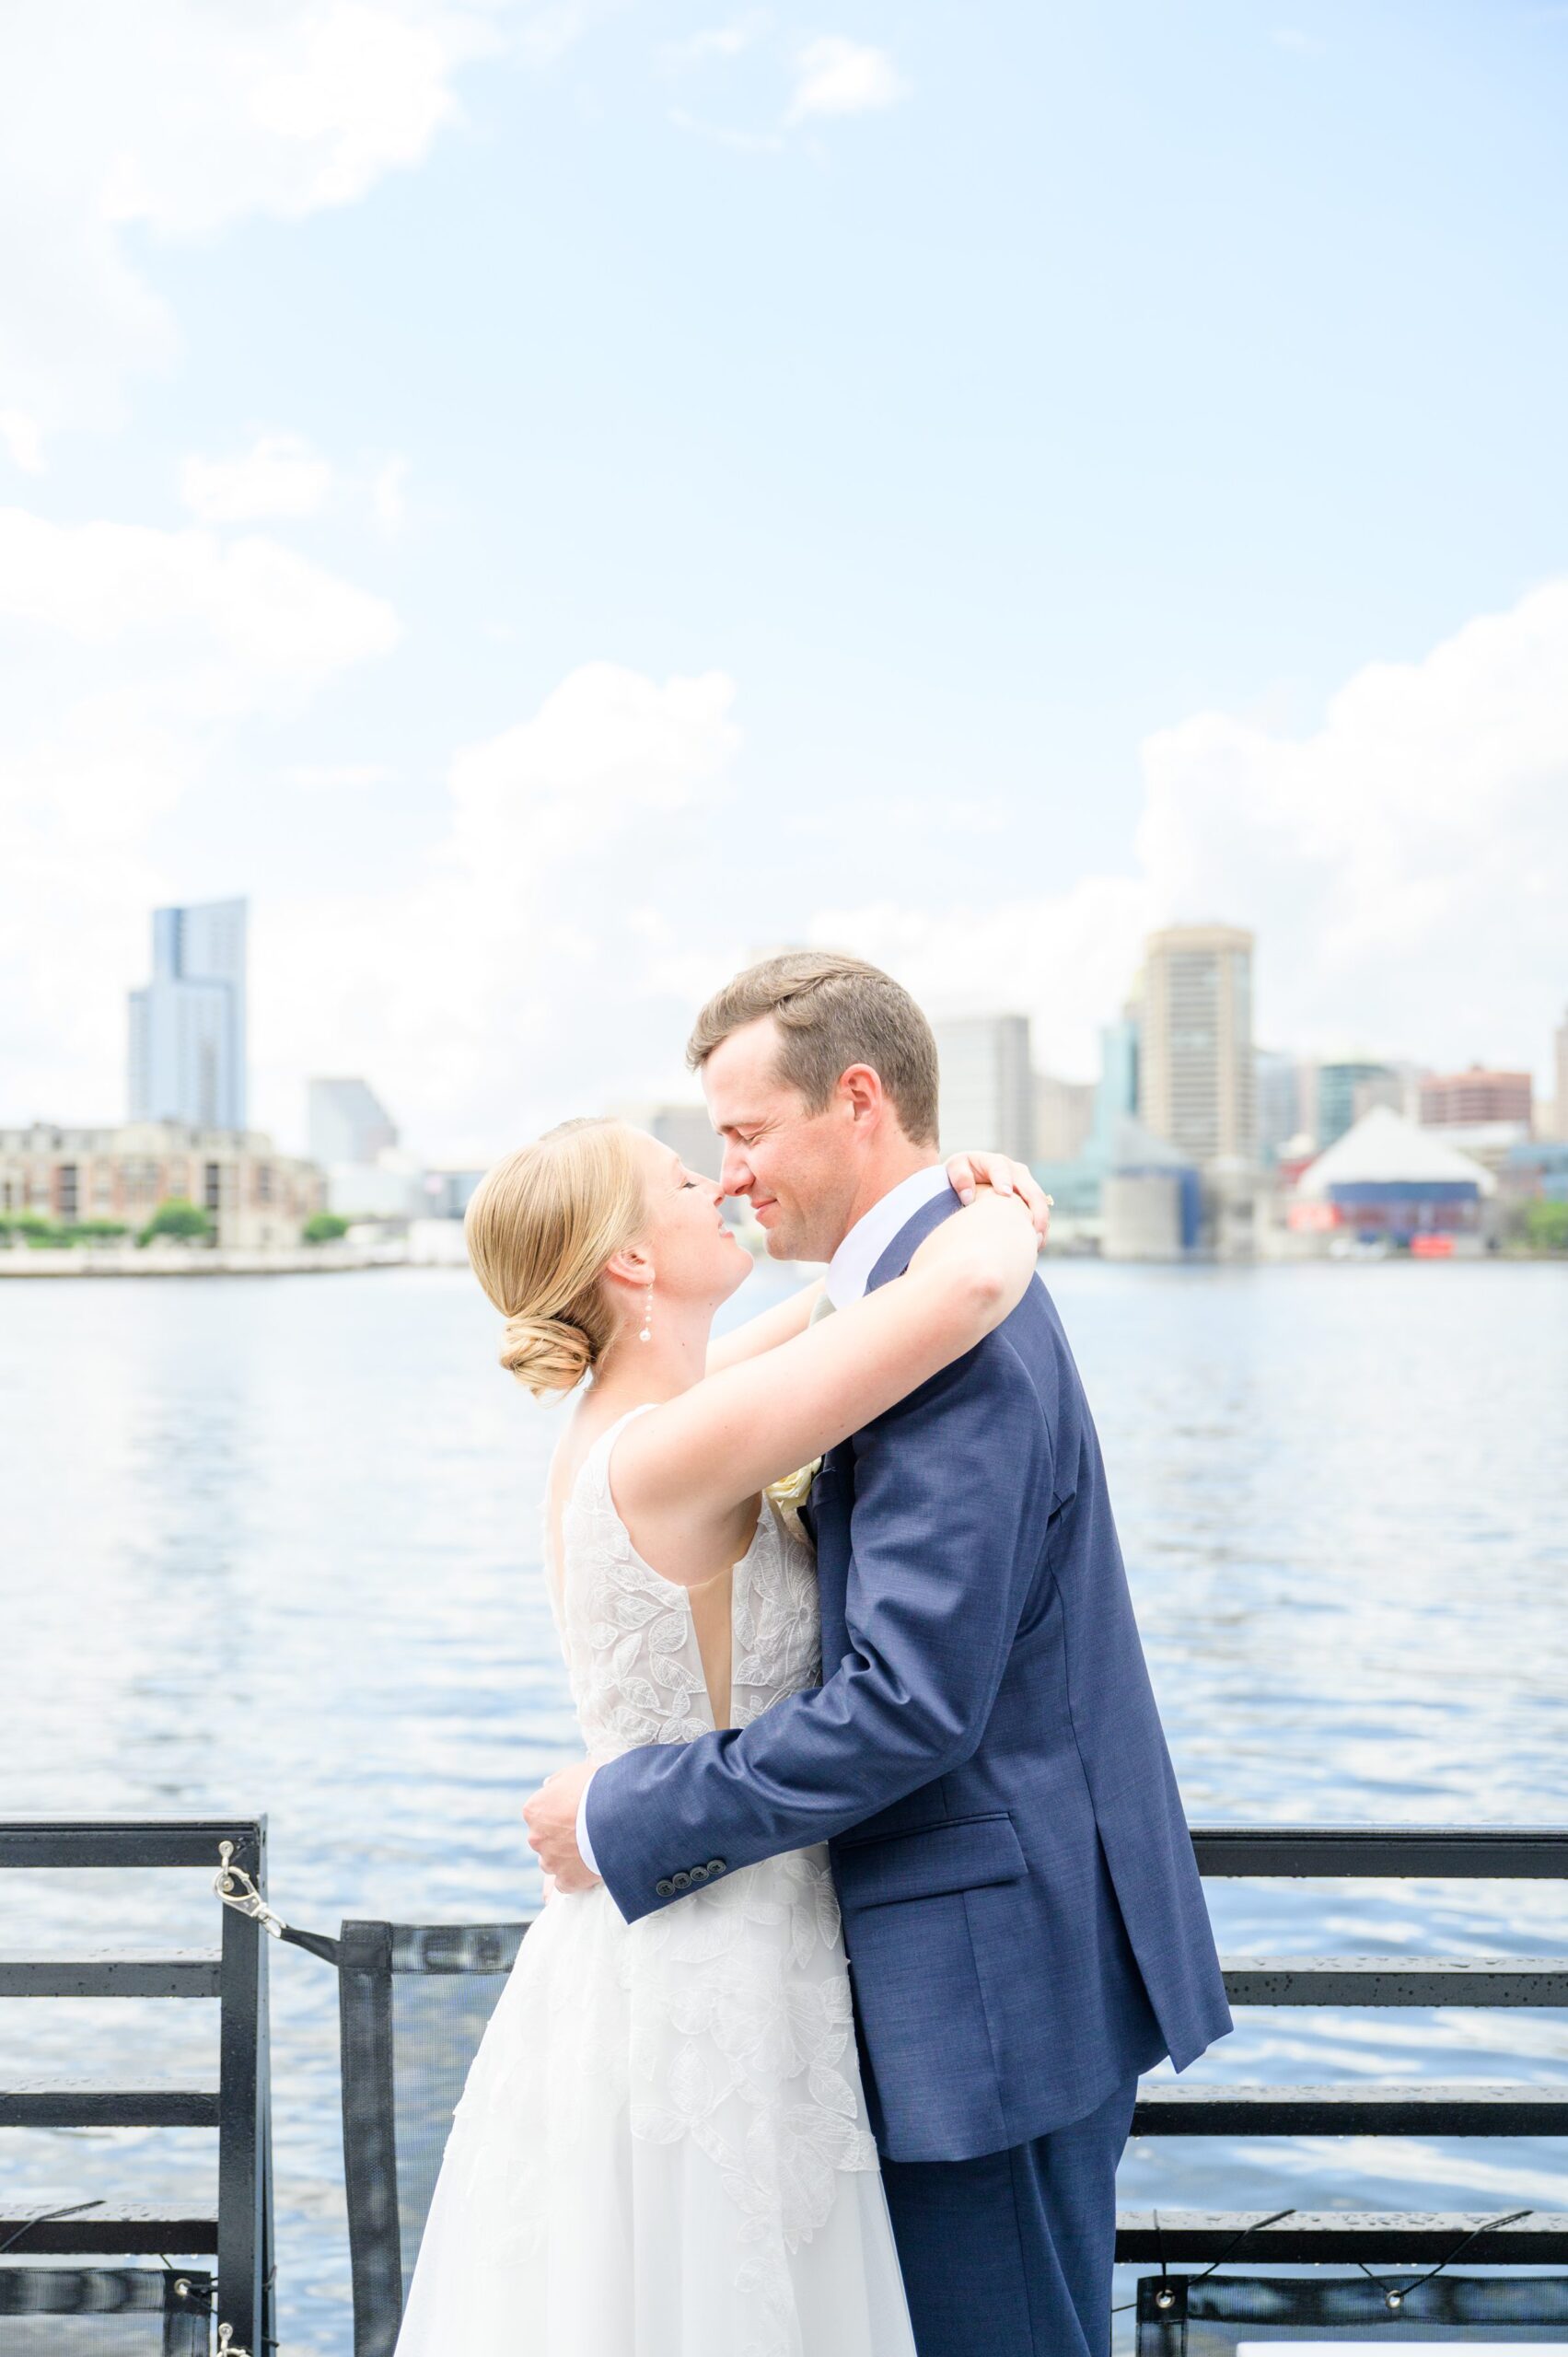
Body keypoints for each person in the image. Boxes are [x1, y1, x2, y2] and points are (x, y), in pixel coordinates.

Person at [526, 950, 1233, 2357]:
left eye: (744, 1133)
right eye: (706, 1154)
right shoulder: (900, 1300)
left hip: (986, 1989)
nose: (728, 1176)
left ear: (856, 1099)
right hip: (952, 1966)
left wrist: (626, 1809)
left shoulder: (946, 1328)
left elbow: (909, 1706)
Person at [393, 1103, 1052, 2357]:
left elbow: (847, 1306)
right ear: (632, 1261)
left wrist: (952, 1194)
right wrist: (1012, 1207)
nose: (723, 1186)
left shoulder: (656, 1414)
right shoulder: (671, 1448)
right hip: (719, 1952)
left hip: (674, 1924)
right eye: (688, 1179)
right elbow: (960, 1296)